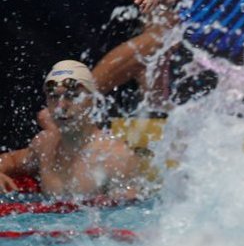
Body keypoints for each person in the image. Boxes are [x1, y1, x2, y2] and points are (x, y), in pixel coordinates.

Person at [0, 61, 142, 199]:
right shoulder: (44, 146)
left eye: (72, 96)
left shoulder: (116, 157)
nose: (60, 107)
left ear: (93, 100)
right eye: (53, 97)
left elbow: (132, 211)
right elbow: (11, 160)